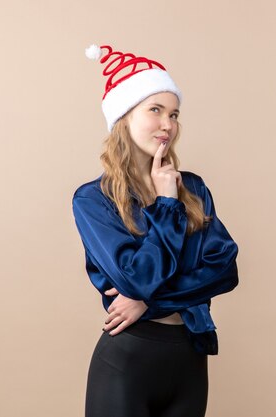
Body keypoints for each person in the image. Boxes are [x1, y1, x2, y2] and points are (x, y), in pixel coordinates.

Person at [73, 44, 239, 417]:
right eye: (155, 110)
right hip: (127, 362)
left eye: (174, 114)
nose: (168, 124)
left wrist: (149, 302)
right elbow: (136, 278)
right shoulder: (92, 200)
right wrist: (166, 204)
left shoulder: (192, 188)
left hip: (190, 358)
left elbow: (225, 270)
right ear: (124, 117)